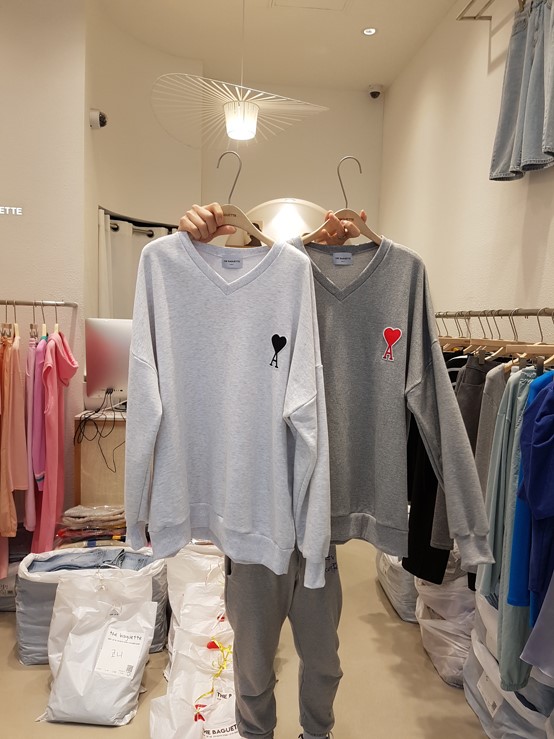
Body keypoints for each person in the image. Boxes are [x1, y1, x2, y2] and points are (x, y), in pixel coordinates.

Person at [178, 202, 366, 739]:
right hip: (250, 525)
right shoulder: (230, 314)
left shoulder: (313, 294)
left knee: (324, 660)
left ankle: (317, 732)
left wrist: (340, 255)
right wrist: (194, 242)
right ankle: (255, 733)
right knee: (254, 665)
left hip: (314, 526)